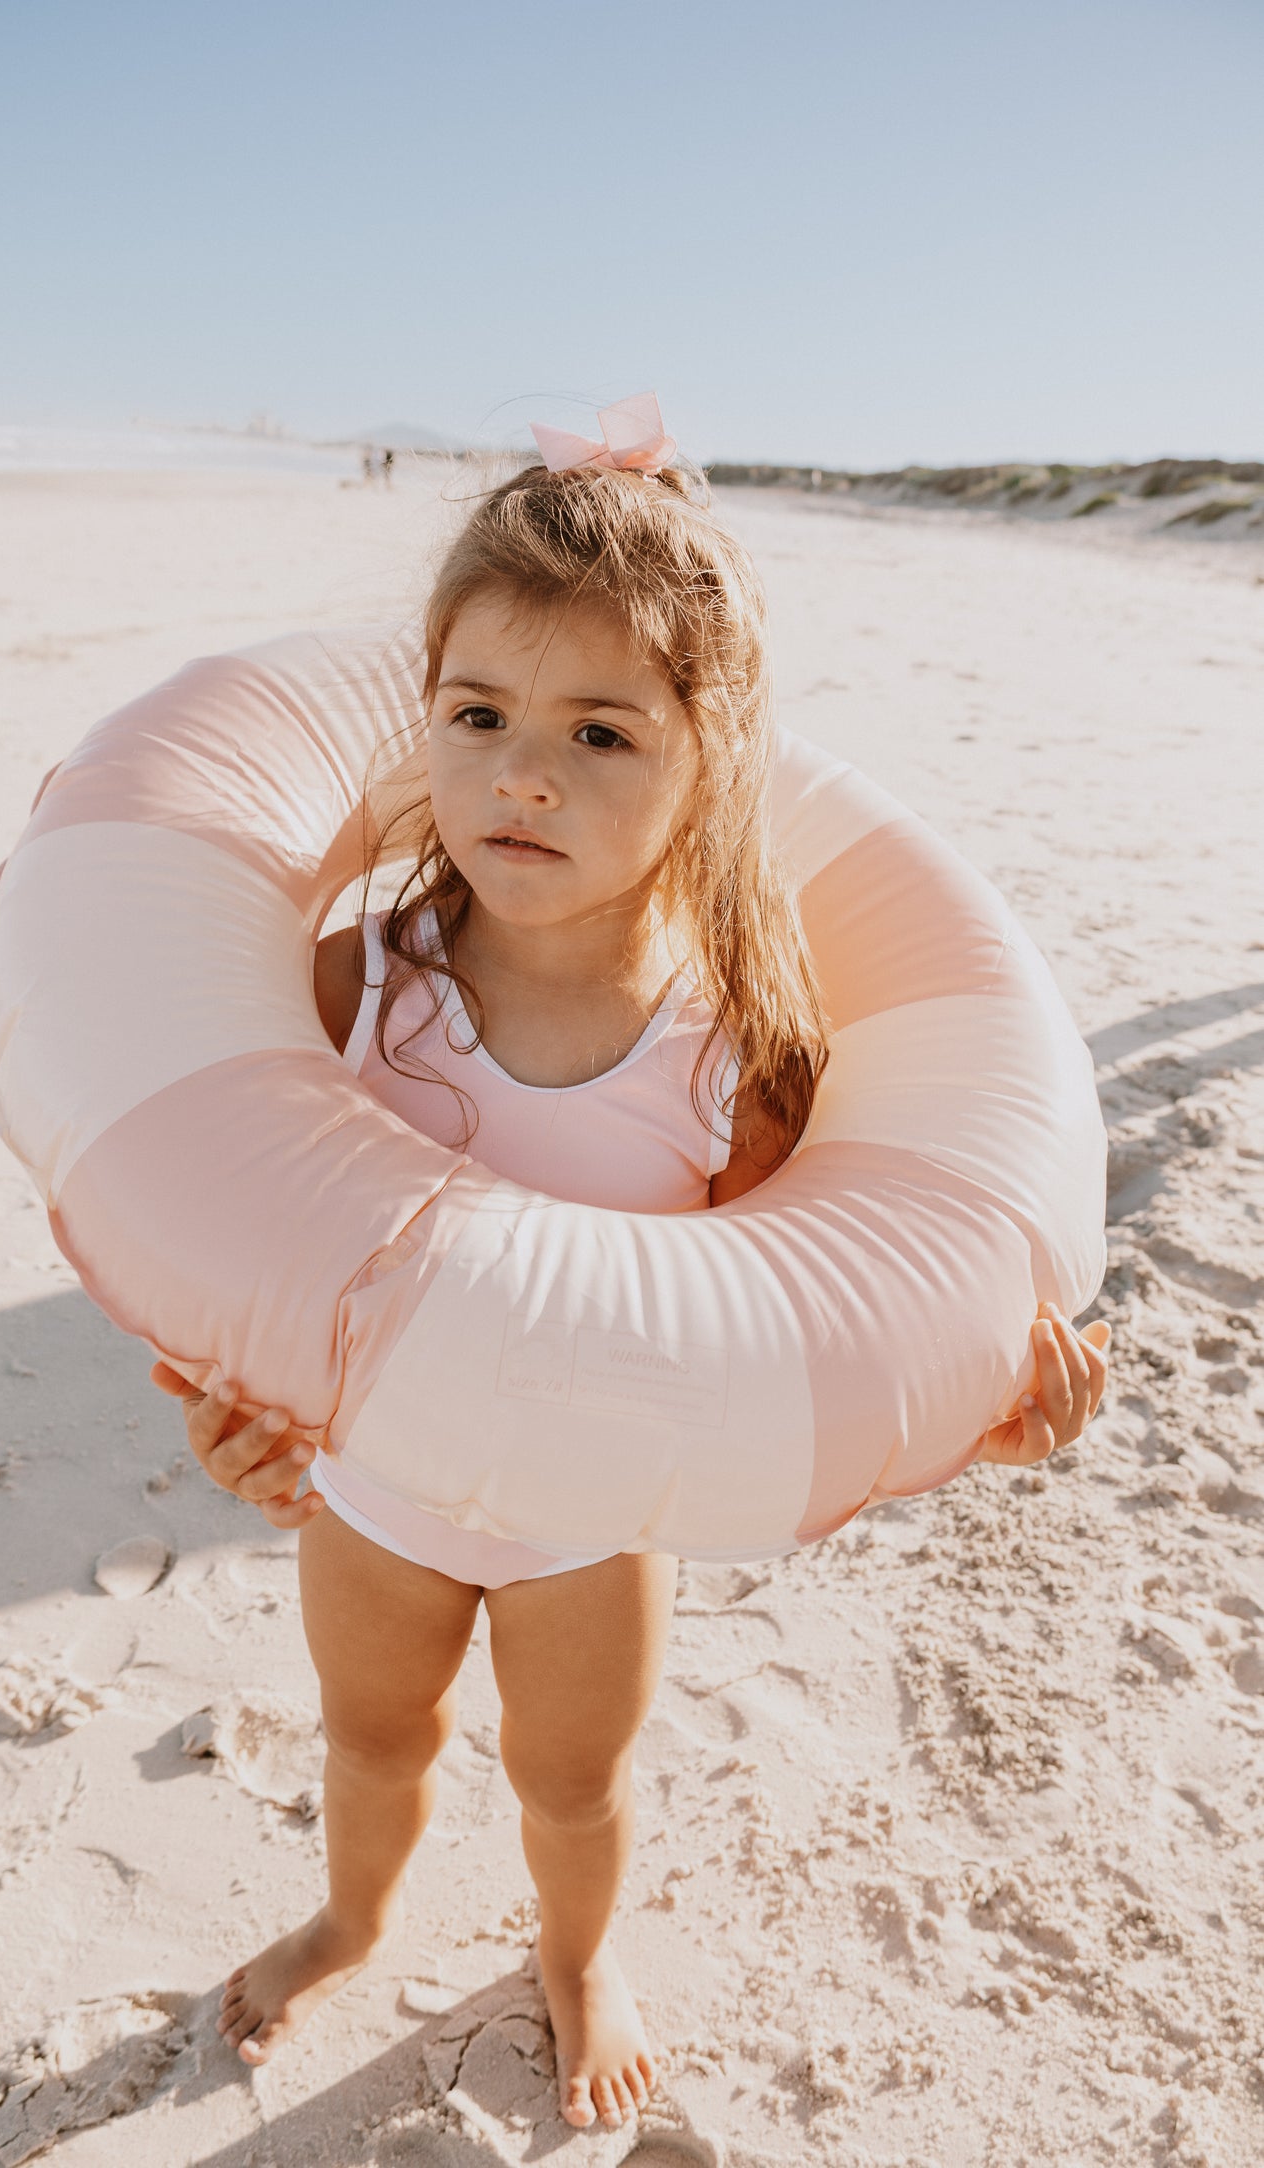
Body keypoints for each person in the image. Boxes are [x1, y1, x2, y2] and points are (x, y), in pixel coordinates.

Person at [151, 447, 1109, 2131]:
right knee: (372, 1741)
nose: (524, 777)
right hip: (378, 1491)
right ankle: (356, 1915)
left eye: (599, 734)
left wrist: (991, 1420)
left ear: (705, 764)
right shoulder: (348, 983)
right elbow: (222, 1207)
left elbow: (809, 1332)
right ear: (421, 721)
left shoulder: (730, 1056)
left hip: (590, 1521)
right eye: (476, 717)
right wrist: (231, 1406)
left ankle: (580, 1958)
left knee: (570, 1778)